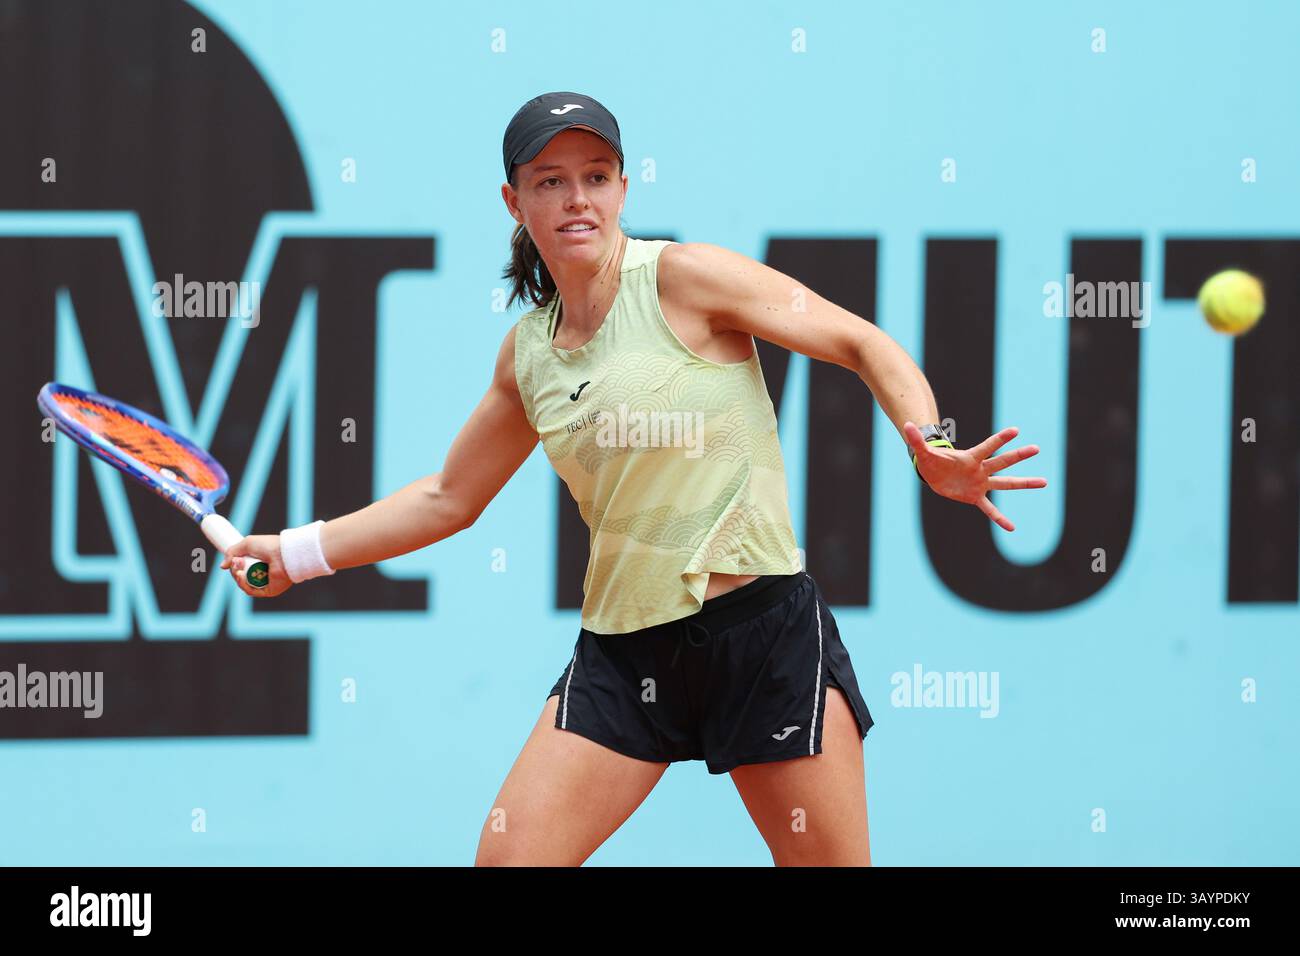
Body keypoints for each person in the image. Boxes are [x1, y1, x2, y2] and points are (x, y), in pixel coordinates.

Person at [222, 91, 1047, 866]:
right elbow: (449, 497)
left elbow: (861, 341)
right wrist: (296, 556)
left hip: (764, 639)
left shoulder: (688, 279)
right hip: (624, 655)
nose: (577, 198)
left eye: (596, 177)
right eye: (551, 181)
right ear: (515, 203)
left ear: (623, 186)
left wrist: (929, 443)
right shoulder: (528, 356)